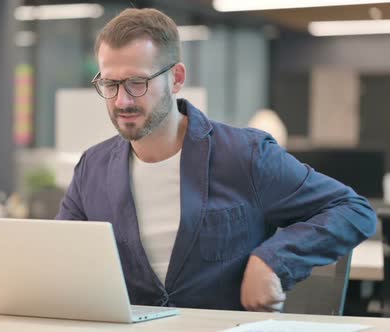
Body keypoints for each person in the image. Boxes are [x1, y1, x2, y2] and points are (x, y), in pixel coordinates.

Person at [55, 8, 377, 312]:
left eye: (137, 83)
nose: (121, 100)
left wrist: (273, 259)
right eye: (110, 84)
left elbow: (353, 211)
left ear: (177, 78)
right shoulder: (92, 169)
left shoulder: (244, 154)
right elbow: (59, 257)